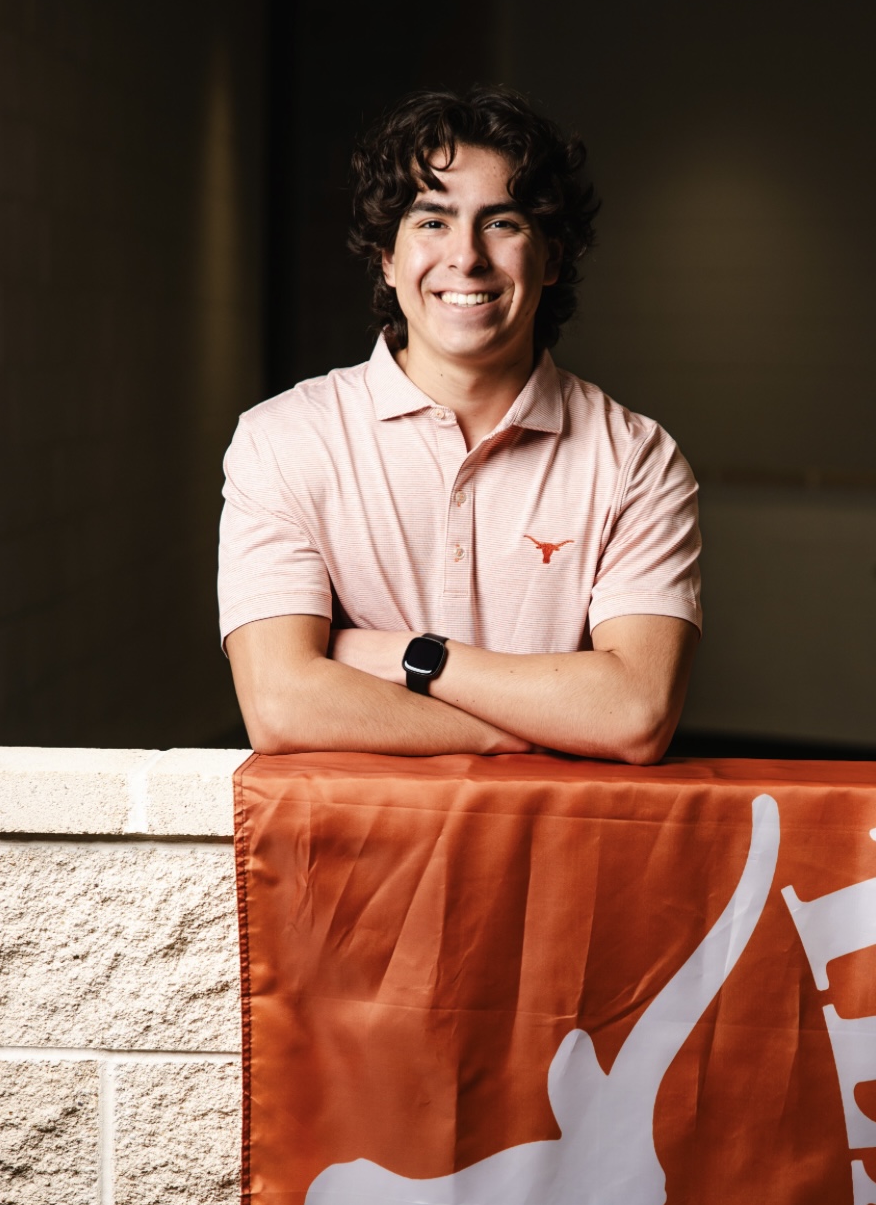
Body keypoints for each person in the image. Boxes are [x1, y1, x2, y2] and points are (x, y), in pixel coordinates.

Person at [218, 87, 701, 764]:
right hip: (357, 836)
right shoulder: (283, 440)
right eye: (432, 222)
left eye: (501, 223)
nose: (467, 257)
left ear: (553, 258)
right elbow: (281, 704)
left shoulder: (635, 458)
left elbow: (634, 714)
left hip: (551, 833)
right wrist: (510, 738)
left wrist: (412, 657)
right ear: (388, 258)